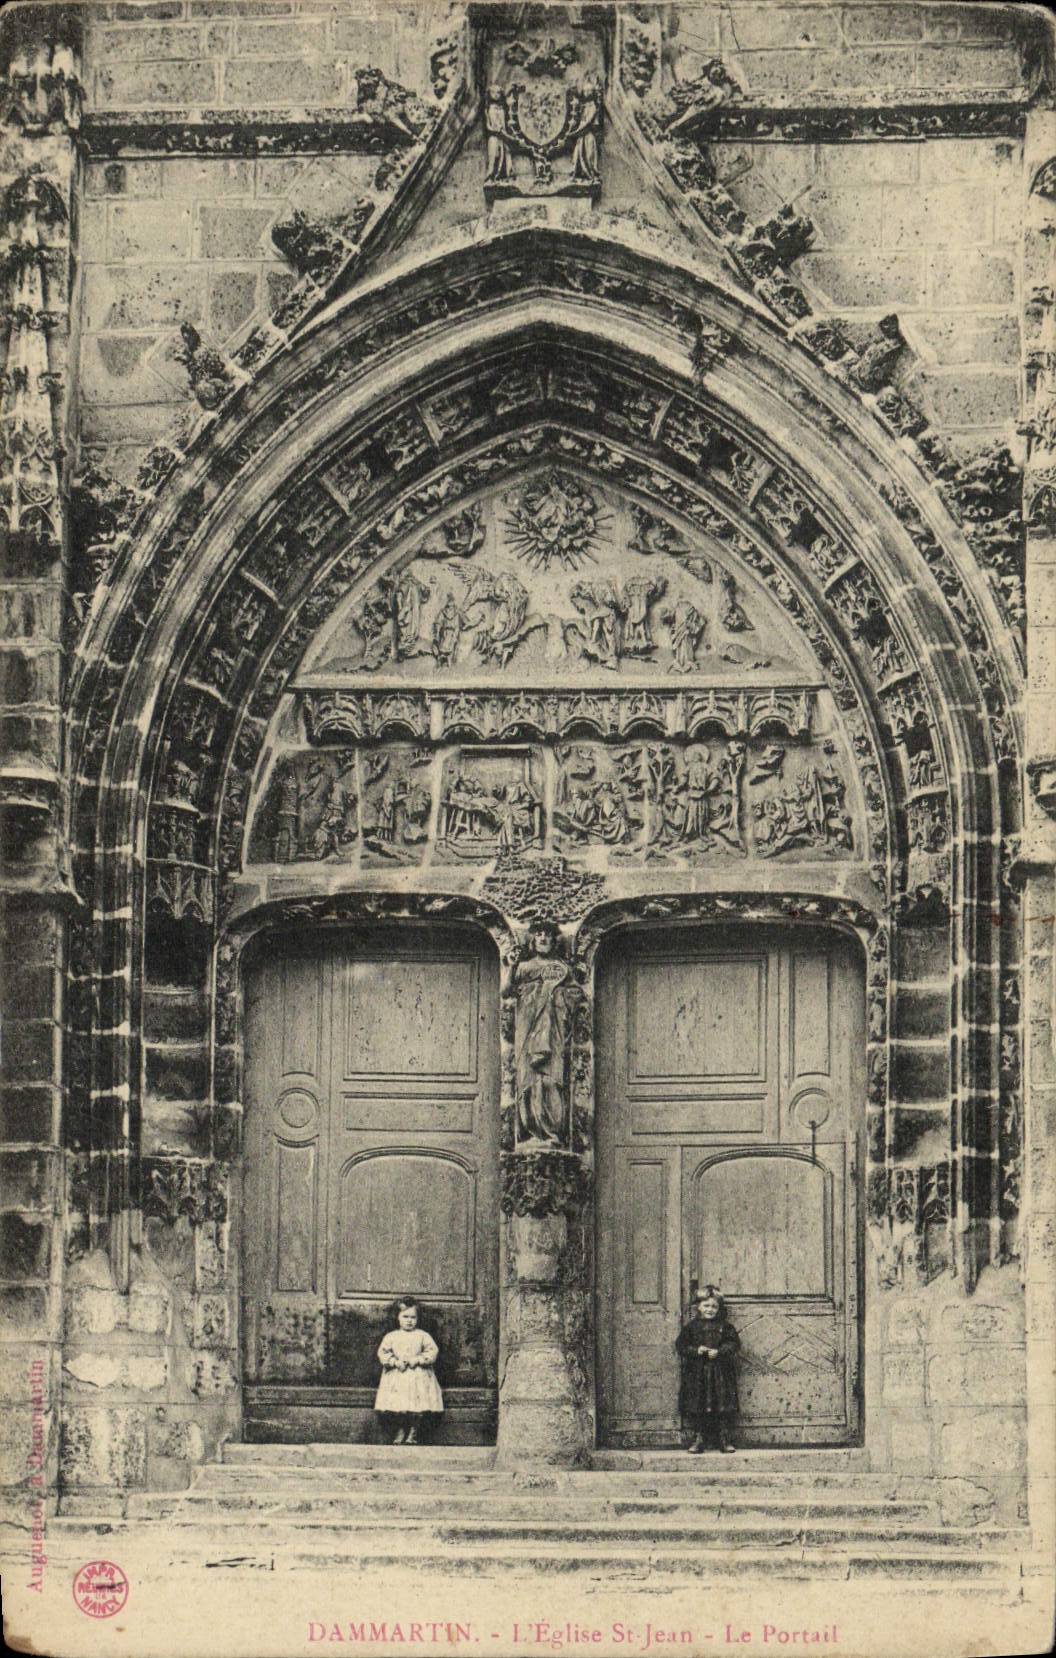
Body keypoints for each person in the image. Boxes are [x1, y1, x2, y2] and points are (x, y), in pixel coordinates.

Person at [675, 1285, 739, 1453]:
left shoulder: (725, 1326)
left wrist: (720, 1351)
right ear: (698, 1307)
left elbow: (734, 1344)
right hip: (698, 1374)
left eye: (714, 1306)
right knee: (698, 1405)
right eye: (706, 1306)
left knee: (722, 1405)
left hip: (720, 1373)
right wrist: (696, 1350)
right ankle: (699, 1439)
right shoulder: (691, 1327)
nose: (710, 1310)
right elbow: (681, 1345)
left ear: (719, 1308)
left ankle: (724, 1439)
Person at [373, 1296, 443, 1445]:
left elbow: (432, 1351)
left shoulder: (422, 1336)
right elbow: (383, 1352)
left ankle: (413, 1433)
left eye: (413, 1317)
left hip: (418, 1375)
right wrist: (394, 1362)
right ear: (397, 1317)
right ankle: (400, 1431)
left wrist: (418, 1360)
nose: (409, 1321)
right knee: (398, 1406)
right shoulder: (392, 1336)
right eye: (405, 1317)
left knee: (417, 1407)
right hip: (398, 1375)